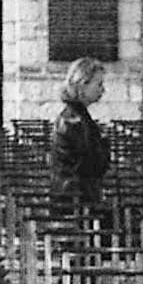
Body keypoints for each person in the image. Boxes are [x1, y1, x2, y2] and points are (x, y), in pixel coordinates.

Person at [50, 56, 110, 212]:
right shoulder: (74, 121)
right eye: (99, 84)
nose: (103, 90)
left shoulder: (78, 117)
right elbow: (90, 164)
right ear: (82, 85)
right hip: (75, 200)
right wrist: (104, 145)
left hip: (75, 194)